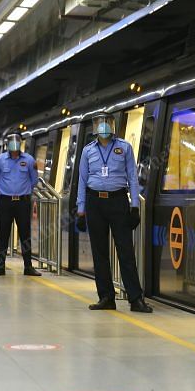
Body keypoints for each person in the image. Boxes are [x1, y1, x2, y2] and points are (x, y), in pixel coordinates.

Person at [76, 113, 152, 313]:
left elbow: (133, 178)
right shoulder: (87, 151)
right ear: (95, 127)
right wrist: (81, 210)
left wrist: (134, 206)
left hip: (118, 201)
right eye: (99, 123)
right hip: (94, 202)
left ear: (113, 125)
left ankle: (135, 298)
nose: (103, 127)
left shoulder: (124, 148)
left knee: (125, 250)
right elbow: (82, 180)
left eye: (107, 123)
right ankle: (106, 297)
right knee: (99, 252)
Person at [0, 131, 41, 276]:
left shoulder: (29, 160)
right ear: (7, 144)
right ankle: (0, 266)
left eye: (17, 141)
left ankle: (28, 266)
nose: (14, 144)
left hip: (23, 202)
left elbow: (34, 180)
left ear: (21, 143)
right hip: (5, 201)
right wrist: (6, 191)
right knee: (3, 234)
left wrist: (23, 191)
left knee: (25, 234)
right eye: (11, 141)